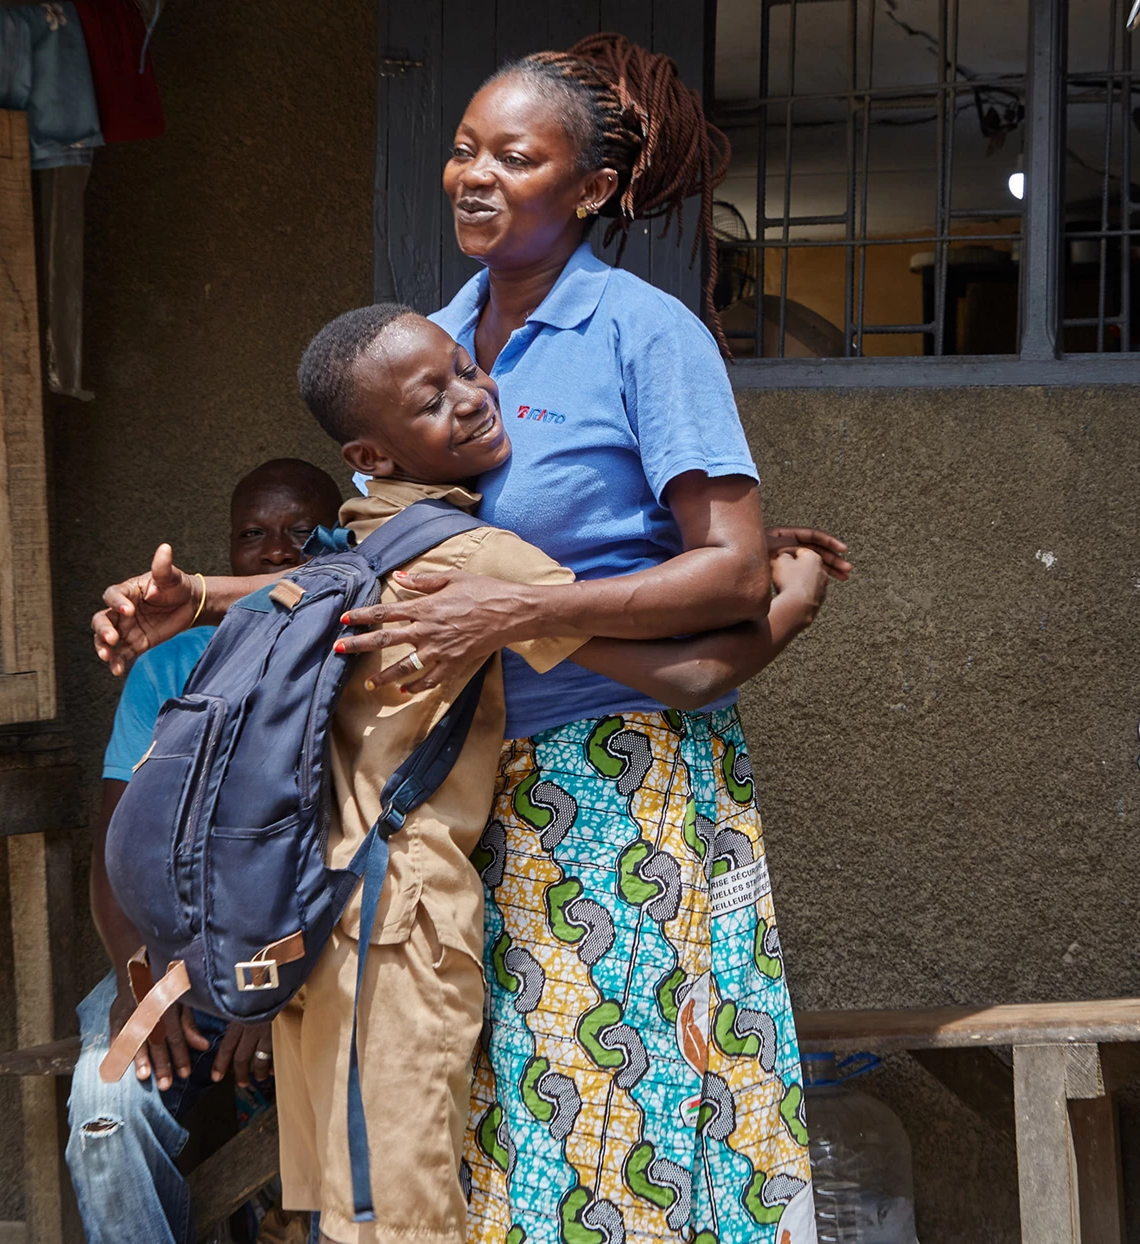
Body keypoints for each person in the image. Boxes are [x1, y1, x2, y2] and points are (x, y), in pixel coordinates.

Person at [91, 34, 842, 1244]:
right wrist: (210, 598)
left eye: (515, 155)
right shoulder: (430, 342)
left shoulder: (643, 335)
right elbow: (377, 562)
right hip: (442, 803)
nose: (474, 176)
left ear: (590, 189)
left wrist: (529, 608)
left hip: (613, 777)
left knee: (621, 1125)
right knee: (490, 1143)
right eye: (460, 149)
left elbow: (732, 568)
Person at [277, 302, 832, 1243]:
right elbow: (697, 673)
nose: (472, 395)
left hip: (327, 904)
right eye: (432, 397)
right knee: (505, 1167)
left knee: (391, 1188)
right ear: (372, 451)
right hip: (419, 914)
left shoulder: (369, 536)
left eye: (465, 369)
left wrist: (197, 595)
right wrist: (798, 594)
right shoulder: (477, 552)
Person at [69, 459, 342, 1244]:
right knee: (108, 1114)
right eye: (253, 534)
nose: (276, 551)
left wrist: (277, 983)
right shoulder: (168, 667)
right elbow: (119, 847)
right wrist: (138, 978)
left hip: (329, 963)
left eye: (300, 532)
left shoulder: (366, 656)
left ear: (339, 538)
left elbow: (368, 848)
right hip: (179, 962)